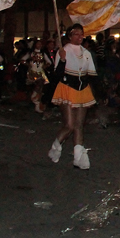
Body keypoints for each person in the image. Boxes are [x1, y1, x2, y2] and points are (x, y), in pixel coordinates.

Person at [48, 24, 97, 170]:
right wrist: (62, 60)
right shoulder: (64, 51)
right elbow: (56, 75)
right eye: (76, 34)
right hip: (67, 89)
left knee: (79, 125)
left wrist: (97, 94)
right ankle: (56, 147)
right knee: (69, 125)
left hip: (83, 91)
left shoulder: (86, 53)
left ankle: (78, 157)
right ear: (69, 36)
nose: (80, 36)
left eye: (81, 34)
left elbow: (92, 75)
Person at [22, 40, 52, 113]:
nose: (39, 45)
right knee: (37, 87)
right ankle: (35, 100)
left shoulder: (43, 53)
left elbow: (49, 62)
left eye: (40, 44)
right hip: (33, 72)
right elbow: (22, 60)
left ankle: (37, 104)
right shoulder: (31, 53)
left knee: (40, 88)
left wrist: (44, 66)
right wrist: (29, 65)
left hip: (40, 72)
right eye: (38, 44)